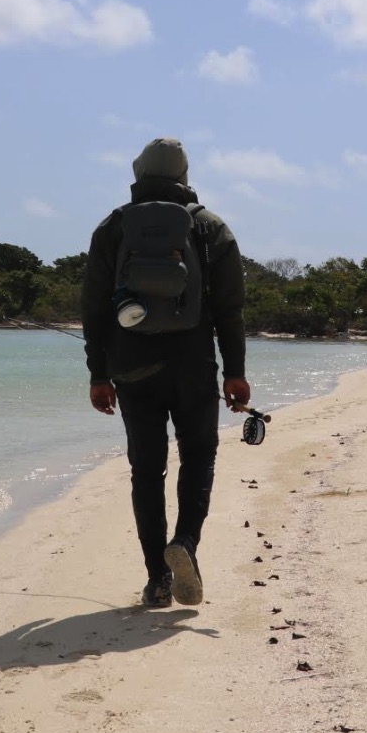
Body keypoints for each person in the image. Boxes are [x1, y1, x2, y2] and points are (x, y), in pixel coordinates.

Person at [81, 137, 251, 608]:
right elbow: (229, 309)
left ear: (138, 175)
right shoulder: (209, 227)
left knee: (146, 471)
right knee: (199, 458)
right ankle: (186, 545)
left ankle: (157, 578)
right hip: (194, 365)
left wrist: (99, 374)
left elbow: (94, 309)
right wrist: (234, 372)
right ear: (184, 176)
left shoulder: (113, 227)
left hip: (132, 369)